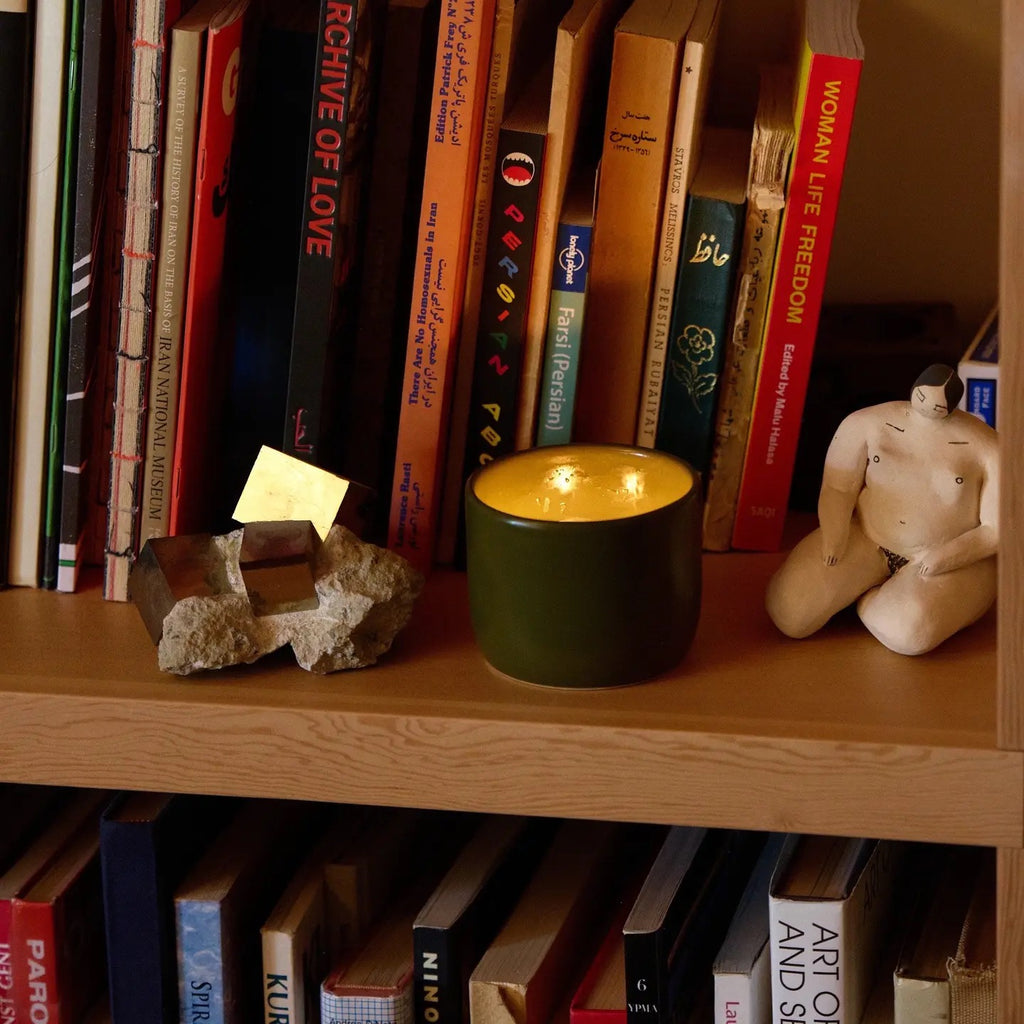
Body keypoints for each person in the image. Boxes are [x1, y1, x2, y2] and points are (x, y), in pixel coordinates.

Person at [766, 364, 999, 655]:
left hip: (943, 558)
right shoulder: (867, 422)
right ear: (915, 391)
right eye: (924, 397)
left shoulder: (987, 447)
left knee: (908, 633)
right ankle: (864, 586)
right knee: (791, 611)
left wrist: (945, 558)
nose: (931, 407)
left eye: (940, 404)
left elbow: (996, 529)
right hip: (868, 538)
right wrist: (834, 534)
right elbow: (838, 487)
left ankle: (872, 600)